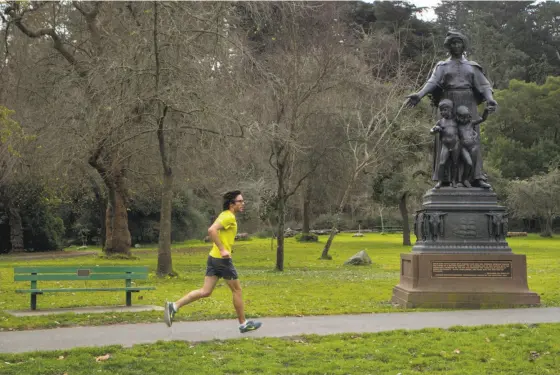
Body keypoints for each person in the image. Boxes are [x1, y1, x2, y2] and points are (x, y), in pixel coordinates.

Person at [405, 31, 497, 189]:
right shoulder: (442, 66)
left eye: (458, 42)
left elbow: (484, 85)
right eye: (452, 43)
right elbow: (432, 81)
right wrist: (419, 94)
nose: (456, 46)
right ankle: (445, 178)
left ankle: (476, 177)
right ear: (448, 46)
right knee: (448, 136)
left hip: (468, 104)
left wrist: (490, 99)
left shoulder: (472, 66)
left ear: (463, 45)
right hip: (449, 102)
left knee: (470, 139)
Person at [164, 190, 262, 333]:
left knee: (205, 291)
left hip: (213, 258)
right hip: (222, 260)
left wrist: (223, 247)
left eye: (242, 201)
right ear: (231, 204)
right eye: (240, 201)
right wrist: (223, 249)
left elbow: (217, 232)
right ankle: (243, 324)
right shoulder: (229, 217)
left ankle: (174, 306)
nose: (243, 203)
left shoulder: (225, 215)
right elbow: (211, 230)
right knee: (237, 290)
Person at [456, 106, 489, 188]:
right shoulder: (457, 126)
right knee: (469, 163)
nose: (464, 119)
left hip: (473, 146)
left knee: (473, 164)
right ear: (458, 117)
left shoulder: (471, 123)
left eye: (466, 117)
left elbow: (482, 119)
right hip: (463, 147)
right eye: (462, 117)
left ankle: (469, 179)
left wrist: (486, 111)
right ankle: (464, 179)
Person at [430, 99, 460, 188]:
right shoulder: (440, 121)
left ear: (450, 110)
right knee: (442, 163)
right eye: (441, 110)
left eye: (445, 110)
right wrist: (435, 129)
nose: (443, 112)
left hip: (455, 145)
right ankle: (440, 181)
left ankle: (454, 180)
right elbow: (431, 130)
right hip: (445, 145)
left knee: (455, 163)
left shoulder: (456, 120)